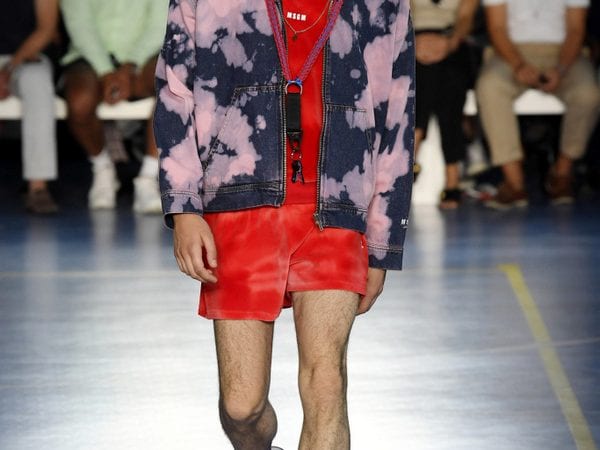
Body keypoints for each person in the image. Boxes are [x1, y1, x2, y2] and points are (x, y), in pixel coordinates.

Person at [154, 0, 415, 449]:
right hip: (239, 198)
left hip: (337, 201)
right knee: (242, 407)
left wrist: (383, 241)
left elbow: (398, 114)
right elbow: (174, 89)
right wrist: (183, 207)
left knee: (326, 380)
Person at [476, 0, 600, 209]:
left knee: (588, 93)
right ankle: (514, 182)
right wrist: (518, 65)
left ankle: (562, 173)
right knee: (489, 87)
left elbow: (576, 29)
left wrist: (560, 69)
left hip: (564, 52)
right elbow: (496, 28)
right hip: (510, 52)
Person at [60, 0, 168, 212]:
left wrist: (129, 66)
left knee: (172, 84)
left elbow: (160, 23)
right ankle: (102, 168)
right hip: (89, 56)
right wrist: (105, 71)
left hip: (146, 56)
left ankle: (148, 177)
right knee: (79, 102)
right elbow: (80, 25)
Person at [411, 0, 479, 209]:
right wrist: (412, 41)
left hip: (453, 42)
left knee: (448, 76)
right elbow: (399, 13)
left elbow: (465, 19)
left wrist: (449, 43)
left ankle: (411, 153)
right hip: (412, 40)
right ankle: (452, 178)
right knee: (422, 72)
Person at [0, 0, 60, 214]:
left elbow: (46, 29)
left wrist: (8, 69)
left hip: (26, 54)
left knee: (37, 80)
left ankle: (38, 186)